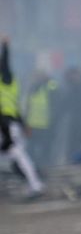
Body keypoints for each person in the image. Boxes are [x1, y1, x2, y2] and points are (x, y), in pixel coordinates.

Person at [0, 35, 47, 198]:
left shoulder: (6, 81)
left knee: (17, 155)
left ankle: (36, 184)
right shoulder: (9, 87)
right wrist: (24, 124)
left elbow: (4, 64)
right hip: (9, 124)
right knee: (17, 156)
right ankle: (35, 183)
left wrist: (5, 46)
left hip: (6, 124)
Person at [22, 67, 59, 167]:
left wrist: (48, 79)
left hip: (46, 125)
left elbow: (55, 88)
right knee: (30, 149)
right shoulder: (32, 88)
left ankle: (44, 166)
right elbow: (27, 106)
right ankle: (30, 167)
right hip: (32, 125)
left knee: (45, 148)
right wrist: (25, 122)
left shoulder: (49, 86)